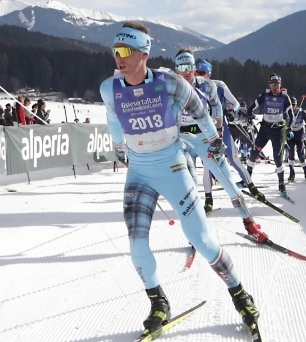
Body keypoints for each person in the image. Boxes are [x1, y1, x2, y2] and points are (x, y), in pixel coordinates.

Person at [100, 21, 260, 335]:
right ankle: (158, 302)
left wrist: (214, 138)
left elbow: (198, 108)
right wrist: (120, 149)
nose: (118, 57)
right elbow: (113, 119)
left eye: (125, 50)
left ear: (143, 52)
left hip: (173, 167)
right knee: (136, 243)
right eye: (114, 50)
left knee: (202, 239)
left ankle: (240, 293)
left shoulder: (168, 82)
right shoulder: (111, 88)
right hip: (140, 173)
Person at [172, 52, 270, 237]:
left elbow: (217, 109)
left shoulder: (208, 86)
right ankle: (195, 231)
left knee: (228, 181)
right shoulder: (170, 86)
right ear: (176, 69)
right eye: (181, 67)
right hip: (182, 140)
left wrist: (217, 135)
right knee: (189, 184)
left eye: (190, 67)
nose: (186, 72)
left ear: (194, 68)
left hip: (203, 138)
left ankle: (249, 222)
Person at [194, 59, 267, 204]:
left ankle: (251, 186)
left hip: (222, 129)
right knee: (208, 167)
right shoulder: (192, 86)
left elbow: (236, 103)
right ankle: (209, 200)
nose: (199, 75)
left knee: (234, 159)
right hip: (204, 131)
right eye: (196, 72)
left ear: (208, 74)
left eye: (202, 73)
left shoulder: (219, 85)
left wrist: (231, 111)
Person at [246, 74, 292, 198]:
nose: (274, 87)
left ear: (280, 84)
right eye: (272, 84)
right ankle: (247, 179)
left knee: (277, 159)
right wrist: (249, 117)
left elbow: (290, 115)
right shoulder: (264, 95)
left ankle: (281, 184)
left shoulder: (285, 97)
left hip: (277, 131)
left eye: (276, 84)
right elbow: (251, 108)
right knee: (254, 153)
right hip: (264, 130)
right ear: (269, 85)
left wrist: (288, 129)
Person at [285, 96, 306, 183]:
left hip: (300, 133)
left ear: (296, 104)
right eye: (291, 105)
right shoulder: (286, 112)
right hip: (290, 133)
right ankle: (292, 173)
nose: (293, 106)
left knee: (301, 155)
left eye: (294, 104)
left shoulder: (301, 112)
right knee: (290, 153)